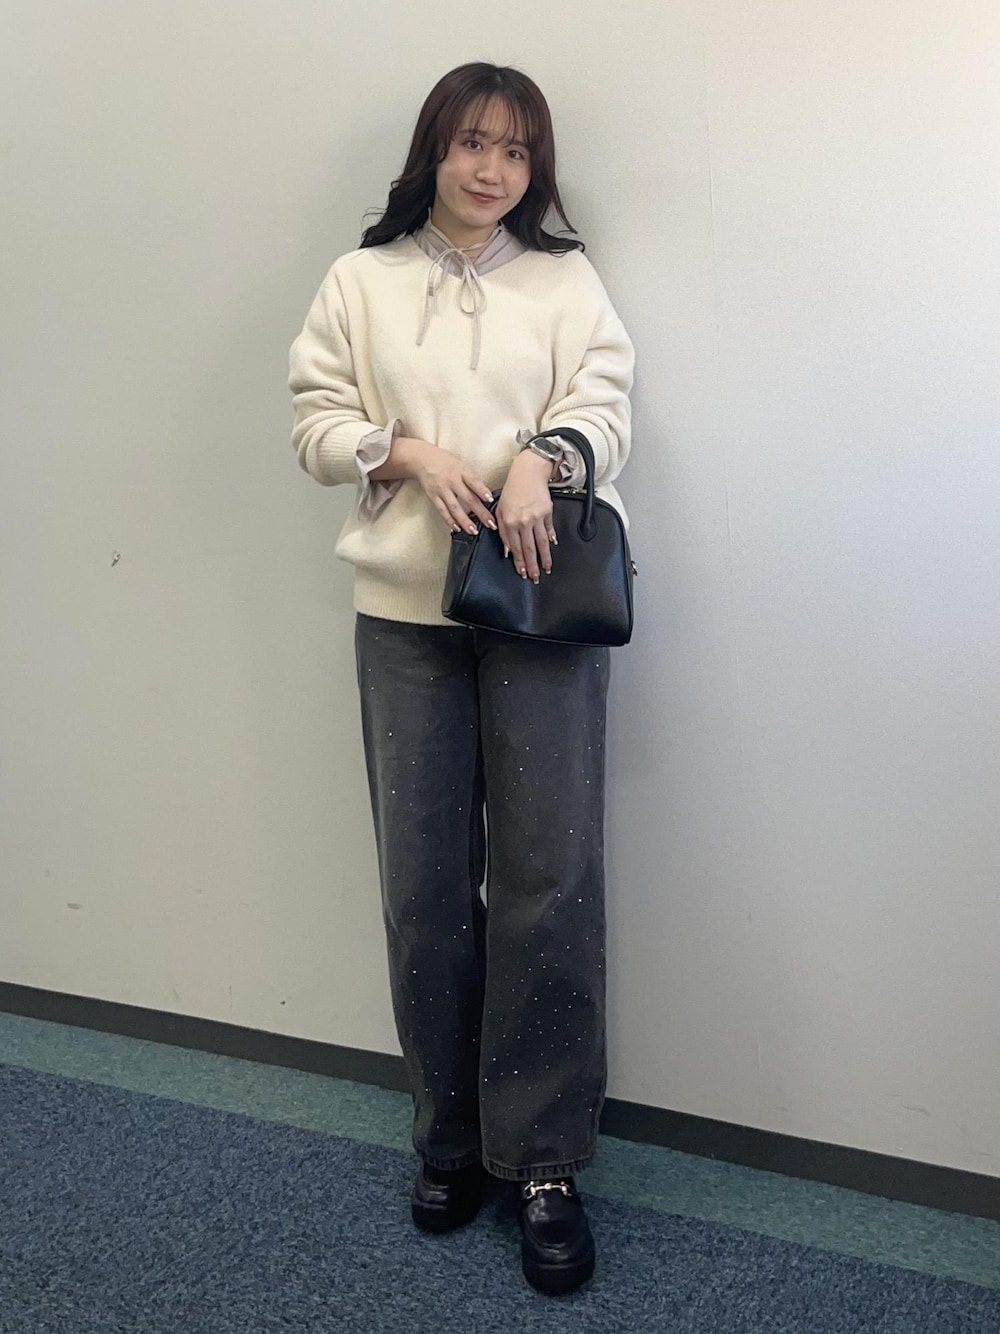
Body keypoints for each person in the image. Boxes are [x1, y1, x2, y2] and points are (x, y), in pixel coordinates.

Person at [288, 61, 634, 1296]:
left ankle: (542, 1160)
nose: (491, 170)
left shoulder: (563, 281)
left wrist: (545, 457)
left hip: (540, 607)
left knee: (550, 878)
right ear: (432, 149)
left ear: (535, 169)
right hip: (405, 617)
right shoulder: (361, 280)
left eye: (515, 151)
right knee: (424, 887)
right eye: (472, 143)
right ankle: (446, 1135)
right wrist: (406, 450)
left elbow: (608, 402)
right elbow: (313, 420)